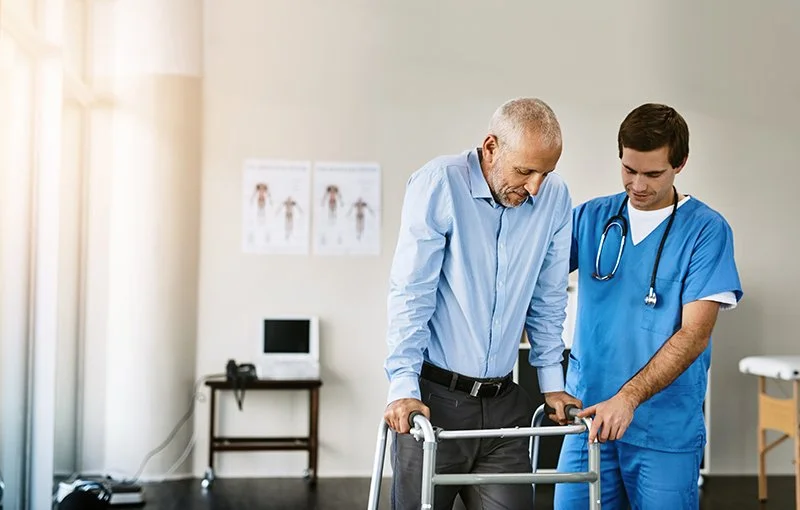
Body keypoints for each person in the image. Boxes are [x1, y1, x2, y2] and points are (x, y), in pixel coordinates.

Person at [383, 97, 582, 510]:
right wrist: (402, 386)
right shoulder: (439, 183)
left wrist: (552, 384)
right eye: (524, 170)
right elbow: (411, 294)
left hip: (505, 408)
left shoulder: (555, 198)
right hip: (433, 404)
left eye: (546, 173)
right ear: (491, 147)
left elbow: (547, 298)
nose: (534, 188)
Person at [554, 103, 743, 509]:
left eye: (652, 174)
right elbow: (530, 279)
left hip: (663, 430)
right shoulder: (590, 218)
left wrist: (629, 398)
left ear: (680, 164)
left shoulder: (706, 231)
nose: (637, 185)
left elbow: (695, 333)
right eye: (628, 170)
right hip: (587, 419)